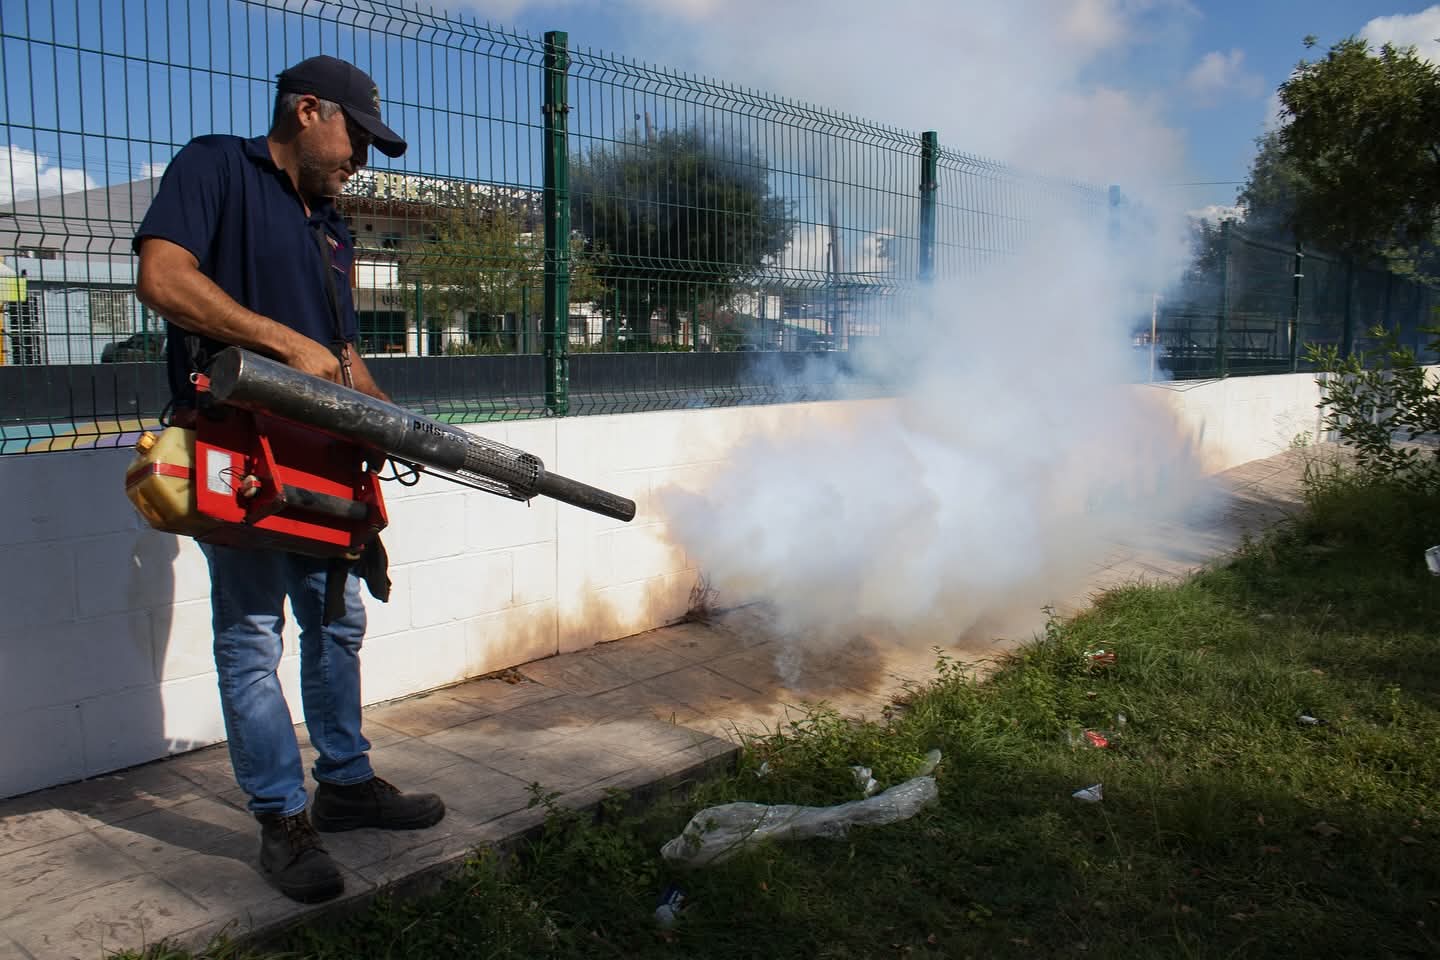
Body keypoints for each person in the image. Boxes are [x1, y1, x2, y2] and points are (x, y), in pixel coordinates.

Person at [133, 55, 445, 905]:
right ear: (308, 110)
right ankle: (281, 820)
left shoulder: (331, 225)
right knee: (250, 638)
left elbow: (340, 355)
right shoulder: (215, 167)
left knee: (337, 624)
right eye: (357, 141)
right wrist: (281, 343)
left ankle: (344, 785)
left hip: (325, 456)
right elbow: (163, 279)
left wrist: (403, 426)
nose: (362, 163)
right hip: (236, 446)